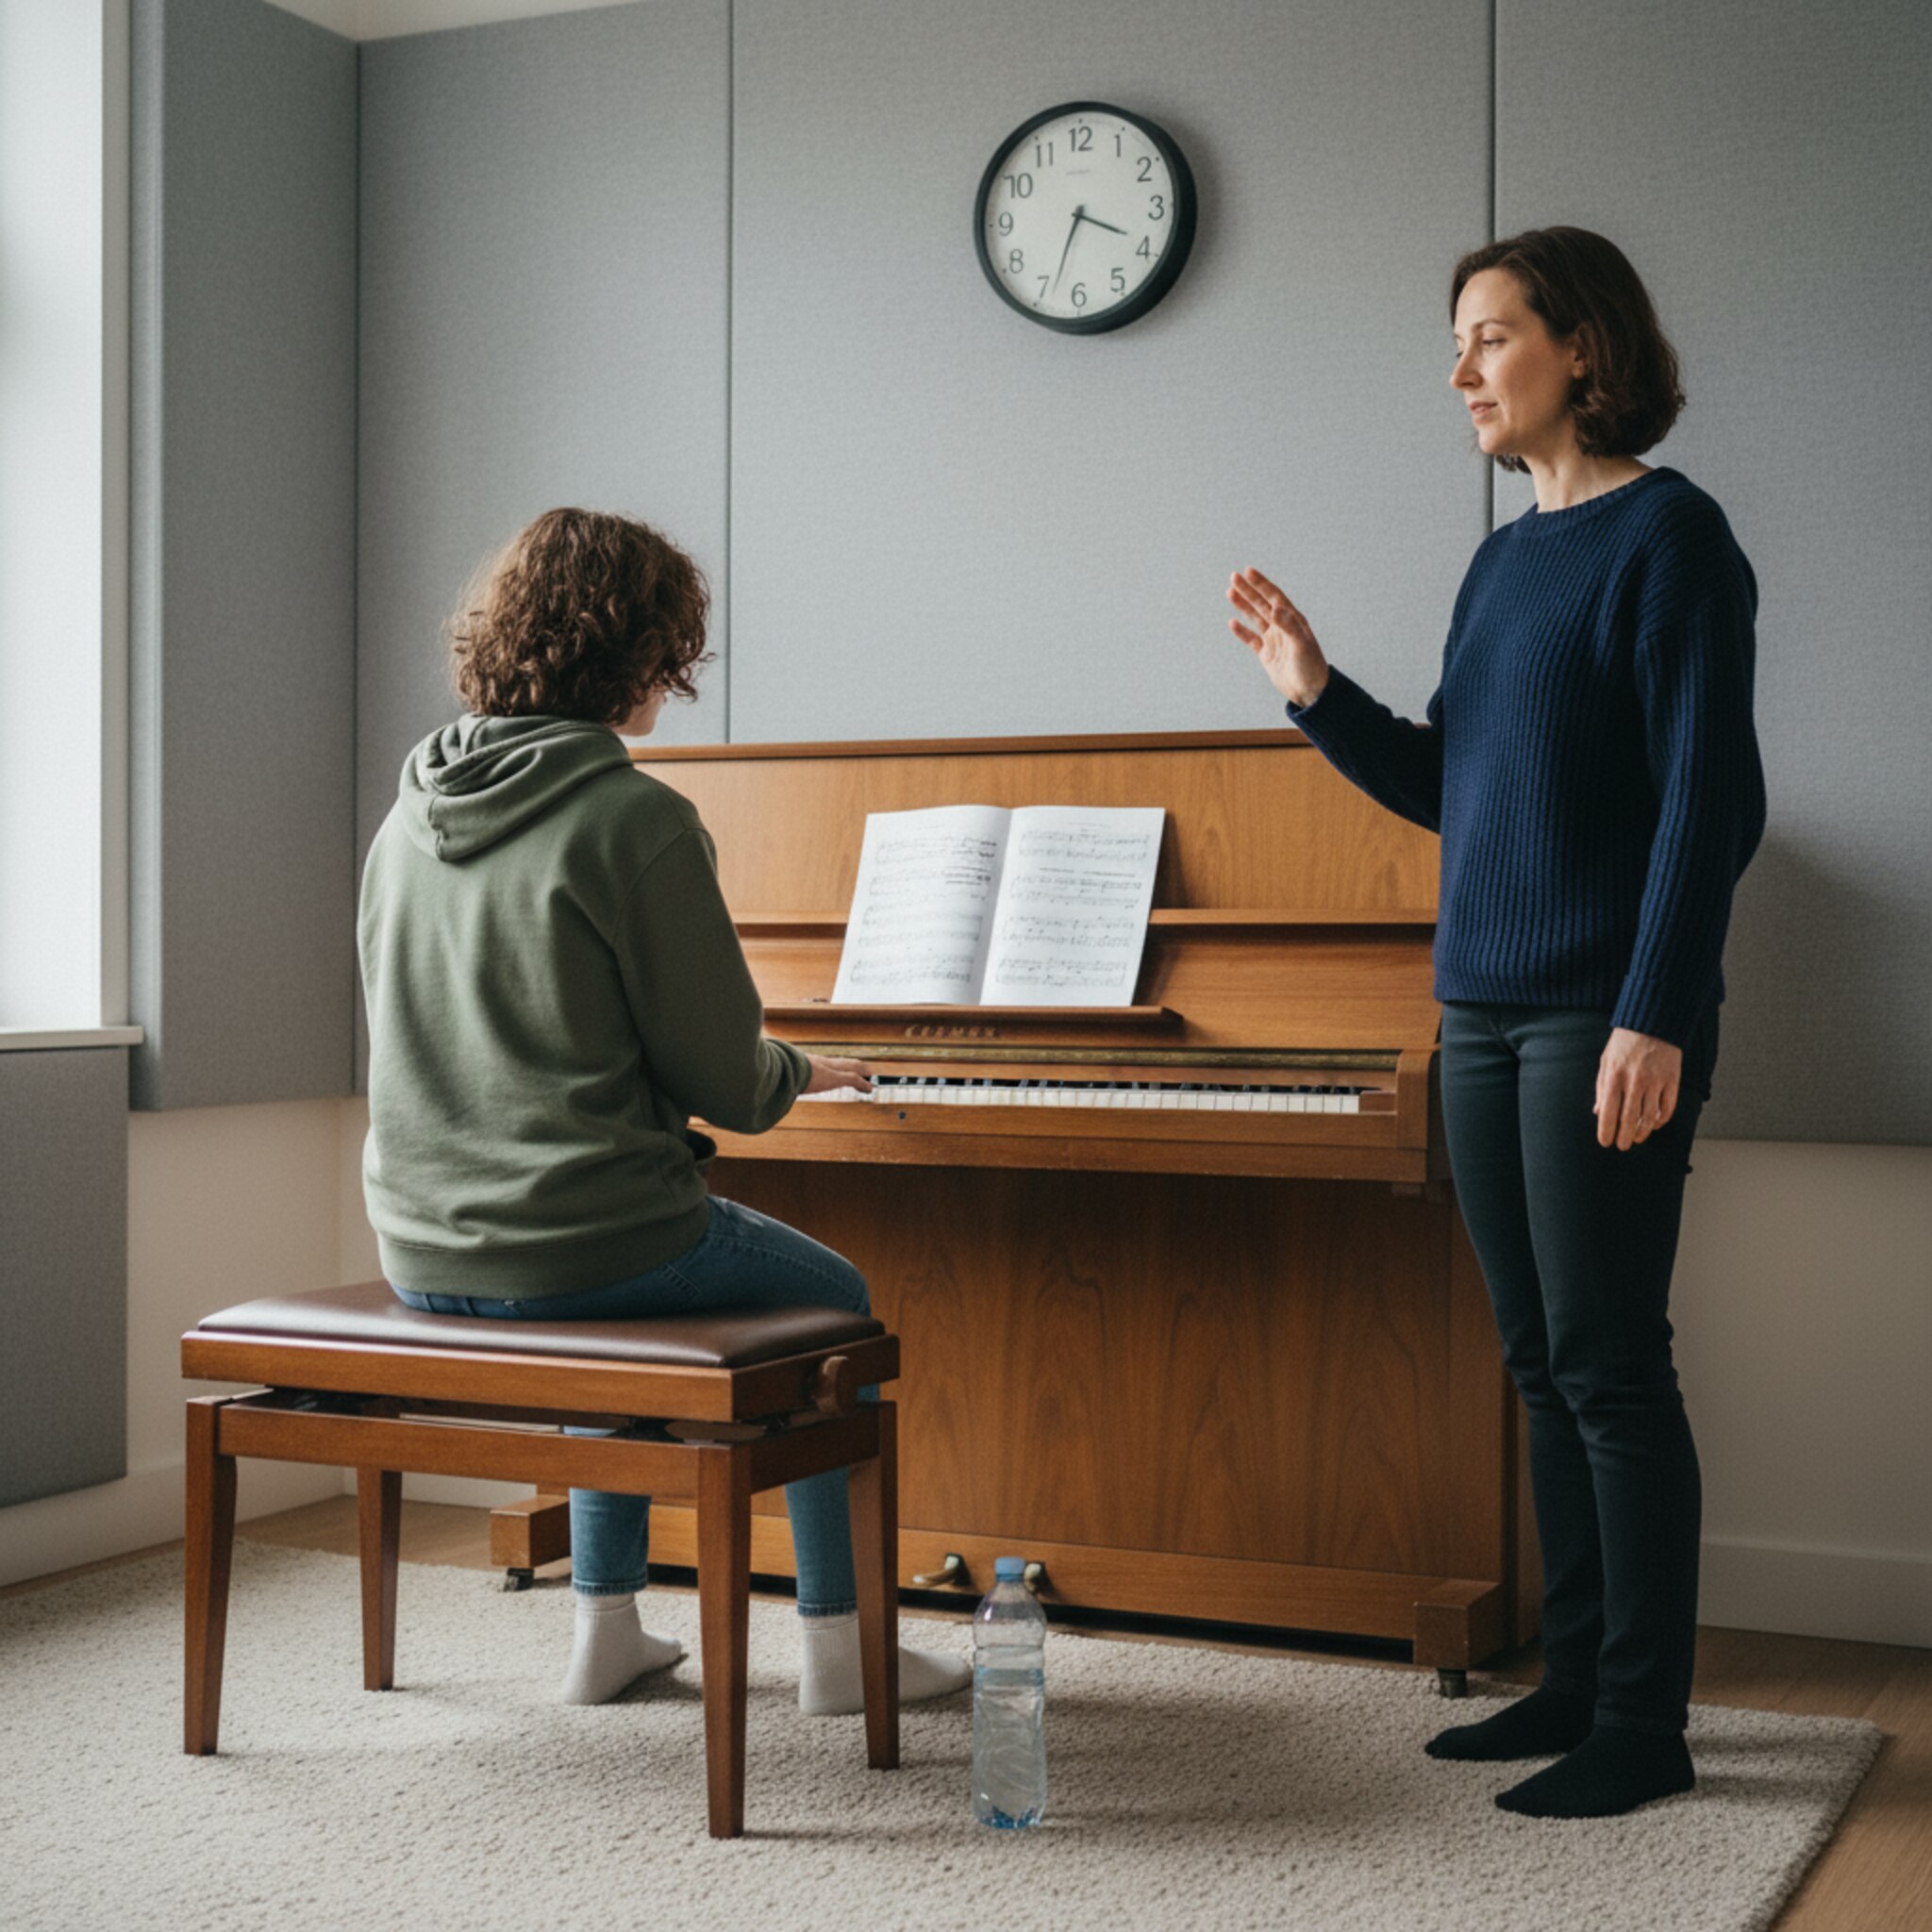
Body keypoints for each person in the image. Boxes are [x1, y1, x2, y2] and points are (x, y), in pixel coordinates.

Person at [1227, 227, 1765, 1819]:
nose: (1457, 370)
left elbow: (1706, 801)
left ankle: (1641, 1722)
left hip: (1602, 1014)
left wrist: (1655, 1010)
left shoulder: (1672, 539)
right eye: (1455, 342)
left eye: (1487, 336)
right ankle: (1572, 1676)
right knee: (1535, 1357)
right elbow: (1450, 791)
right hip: (1477, 1013)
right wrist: (1315, 690)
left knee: (1607, 1359)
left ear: (1579, 348)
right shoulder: (1497, 559)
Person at [358, 507, 971, 1714]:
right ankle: (843, 1649)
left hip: (422, 1244)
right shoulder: (634, 818)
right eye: (669, 655)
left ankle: (606, 1629)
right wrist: (803, 1067)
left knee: (621, 1298)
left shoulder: (405, 819)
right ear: (633, 653)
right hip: (577, 1241)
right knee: (829, 1300)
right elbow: (728, 1087)